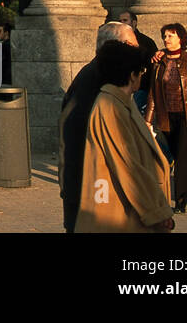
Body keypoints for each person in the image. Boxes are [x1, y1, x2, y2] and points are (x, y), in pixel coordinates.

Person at [75, 41, 174, 233]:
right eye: (141, 71)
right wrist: (156, 212)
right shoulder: (110, 106)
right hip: (121, 213)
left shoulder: (122, 102)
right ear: (131, 75)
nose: (143, 76)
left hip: (129, 209)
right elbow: (128, 164)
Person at [59, 20, 137, 232]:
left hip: (89, 188)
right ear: (114, 48)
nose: (137, 50)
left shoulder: (102, 78)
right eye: (132, 45)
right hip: (94, 190)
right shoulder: (100, 85)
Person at [143, 23, 187, 212]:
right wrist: (148, 120)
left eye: (171, 36)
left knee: (180, 158)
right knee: (181, 156)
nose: (166, 39)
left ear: (181, 38)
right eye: (164, 36)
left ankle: (180, 200)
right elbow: (153, 94)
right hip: (167, 117)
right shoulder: (159, 62)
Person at [118, 9, 159, 115]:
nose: (122, 23)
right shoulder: (116, 42)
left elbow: (153, 67)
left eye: (125, 20)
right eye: (120, 21)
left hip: (140, 89)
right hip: (121, 89)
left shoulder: (147, 42)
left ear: (134, 23)